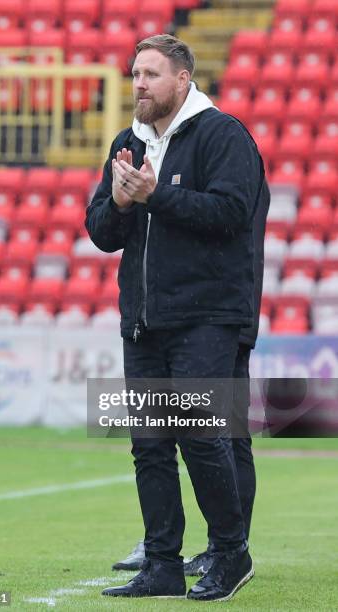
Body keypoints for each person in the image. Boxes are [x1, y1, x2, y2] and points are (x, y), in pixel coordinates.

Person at [85, 34, 265, 601]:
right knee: (149, 443)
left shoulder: (223, 134)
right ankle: (161, 562)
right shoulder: (127, 142)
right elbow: (100, 232)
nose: (139, 84)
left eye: (152, 74)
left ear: (183, 79)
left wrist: (155, 195)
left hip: (209, 316)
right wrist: (117, 202)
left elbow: (233, 214)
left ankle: (229, 553)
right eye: (135, 73)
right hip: (142, 319)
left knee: (207, 435)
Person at [111, 175, 270, 576]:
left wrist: (239, 321)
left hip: (222, 316)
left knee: (224, 431)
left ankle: (228, 547)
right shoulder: (169, 151)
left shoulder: (227, 156)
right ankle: (164, 543)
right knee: (163, 434)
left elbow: (236, 239)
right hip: (180, 315)